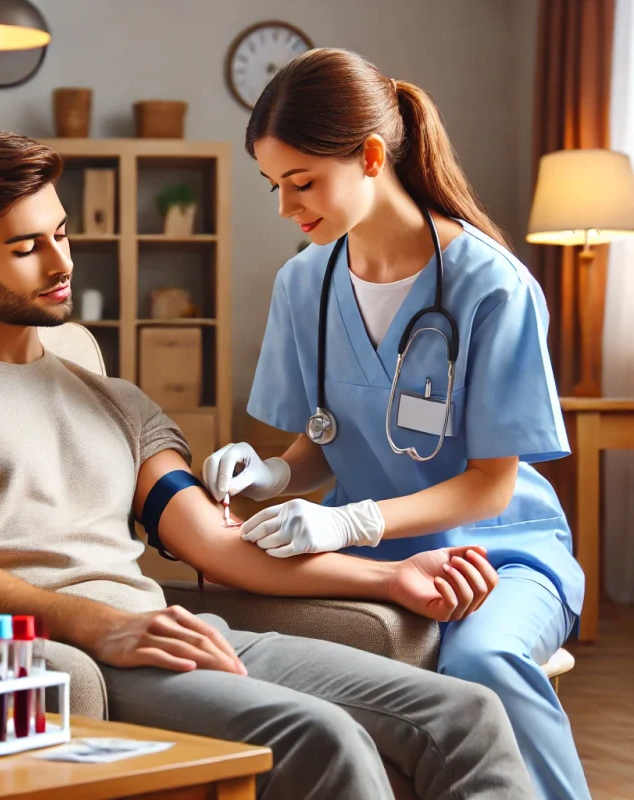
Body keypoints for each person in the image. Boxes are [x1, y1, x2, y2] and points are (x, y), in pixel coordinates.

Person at [0, 129, 535, 799]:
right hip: (71, 654)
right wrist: (94, 624)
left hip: (172, 632)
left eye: (62, 233)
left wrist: (391, 576)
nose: (61, 264)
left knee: (465, 714)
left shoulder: (117, 401)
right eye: (26, 248)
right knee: (323, 736)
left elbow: (217, 545)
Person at [202, 49, 589, 800]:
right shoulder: (304, 283)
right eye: (273, 185)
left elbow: (488, 488)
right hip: (381, 564)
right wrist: (274, 473)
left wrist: (348, 523)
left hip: (499, 555)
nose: (286, 207)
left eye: (302, 182)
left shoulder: (491, 286)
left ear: (372, 156)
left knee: (480, 666)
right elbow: (323, 440)